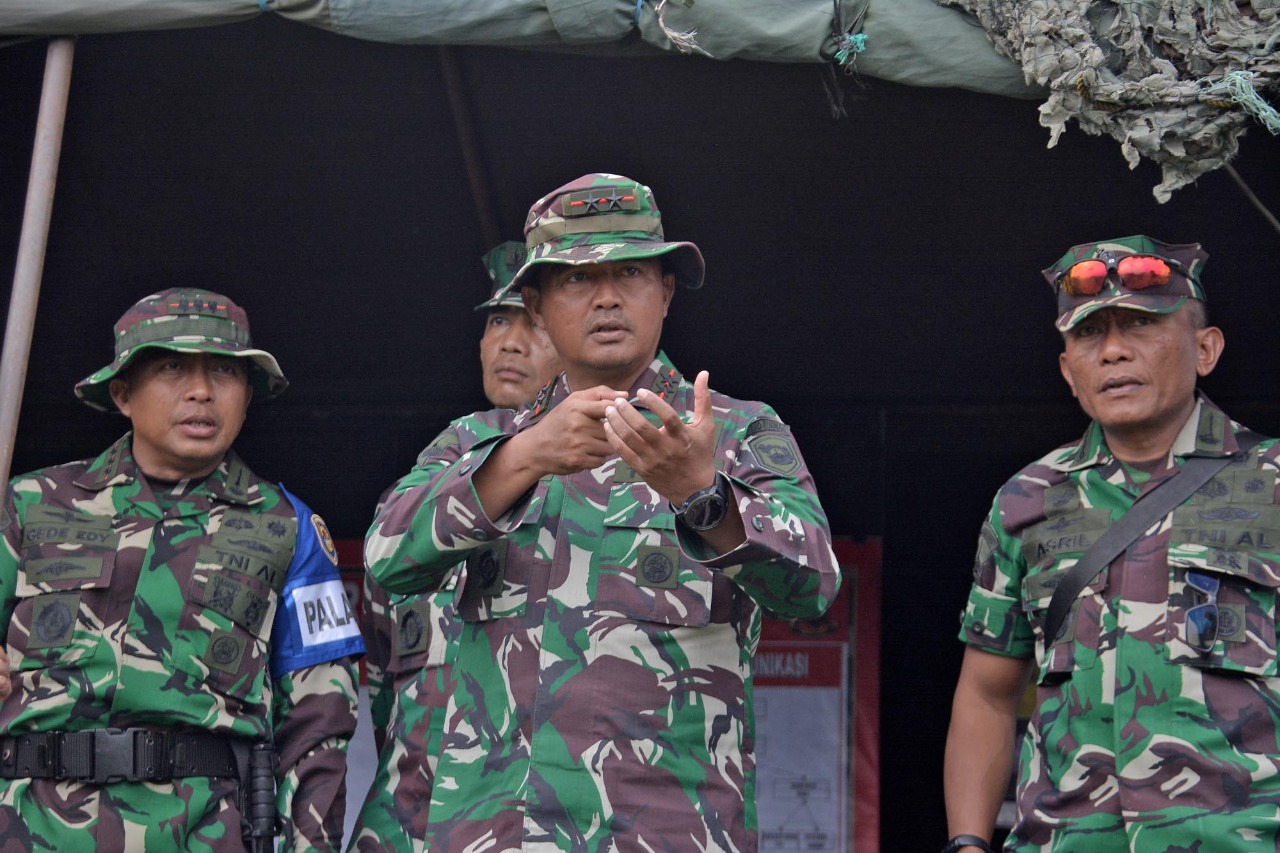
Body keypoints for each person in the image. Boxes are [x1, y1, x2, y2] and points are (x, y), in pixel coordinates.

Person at [365, 172, 841, 851]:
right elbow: (388, 556)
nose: (609, 297)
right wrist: (523, 458)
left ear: (667, 293)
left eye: (632, 274)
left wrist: (701, 493)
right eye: (579, 280)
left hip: (668, 831)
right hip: (496, 830)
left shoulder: (734, 433)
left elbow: (813, 586)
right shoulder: (477, 442)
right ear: (535, 306)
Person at [942, 235, 1280, 853]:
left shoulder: (1273, 484)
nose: (1115, 351)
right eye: (1090, 336)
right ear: (1069, 371)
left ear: (1205, 349)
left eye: (1143, 326)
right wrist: (967, 842)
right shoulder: (1027, 500)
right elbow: (987, 694)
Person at [0, 289, 365, 852]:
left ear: (248, 396)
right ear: (122, 393)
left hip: (203, 830)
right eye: (172, 367)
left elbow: (321, 717)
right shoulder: (28, 503)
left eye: (224, 371)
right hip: (30, 828)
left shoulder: (289, 528)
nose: (201, 391)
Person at [348, 241, 561, 851]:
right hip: (405, 826)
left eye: (533, 324)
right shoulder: (413, 505)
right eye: (498, 321)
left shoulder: (605, 492)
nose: (510, 342)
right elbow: (383, 691)